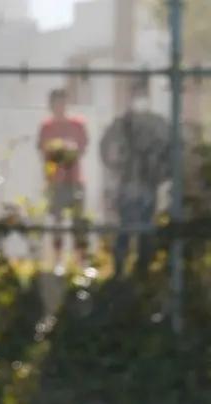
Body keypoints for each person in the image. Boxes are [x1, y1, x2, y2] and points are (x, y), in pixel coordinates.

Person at [99, 81, 171, 278]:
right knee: (126, 227)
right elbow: (106, 147)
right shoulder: (121, 123)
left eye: (142, 95)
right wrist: (116, 166)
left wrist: (162, 173)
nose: (139, 100)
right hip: (128, 184)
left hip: (148, 185)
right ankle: (120, 270)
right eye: (136, 95)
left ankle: (142, 270)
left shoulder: (157, 123)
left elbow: (170, 150)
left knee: (146, 227)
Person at [37, 88, 90, 265]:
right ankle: (58, 261)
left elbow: (82, 148)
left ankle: (81, 262)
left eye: (62, 102)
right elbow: (43, 152)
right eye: (56, 103)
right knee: (57, 222)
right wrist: (55, 154)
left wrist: (70, 150)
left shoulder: (78, 124)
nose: (60, 106)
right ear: (51, 105)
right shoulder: (46, 127)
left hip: (75, 180)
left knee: (79, 222)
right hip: (55, 182)